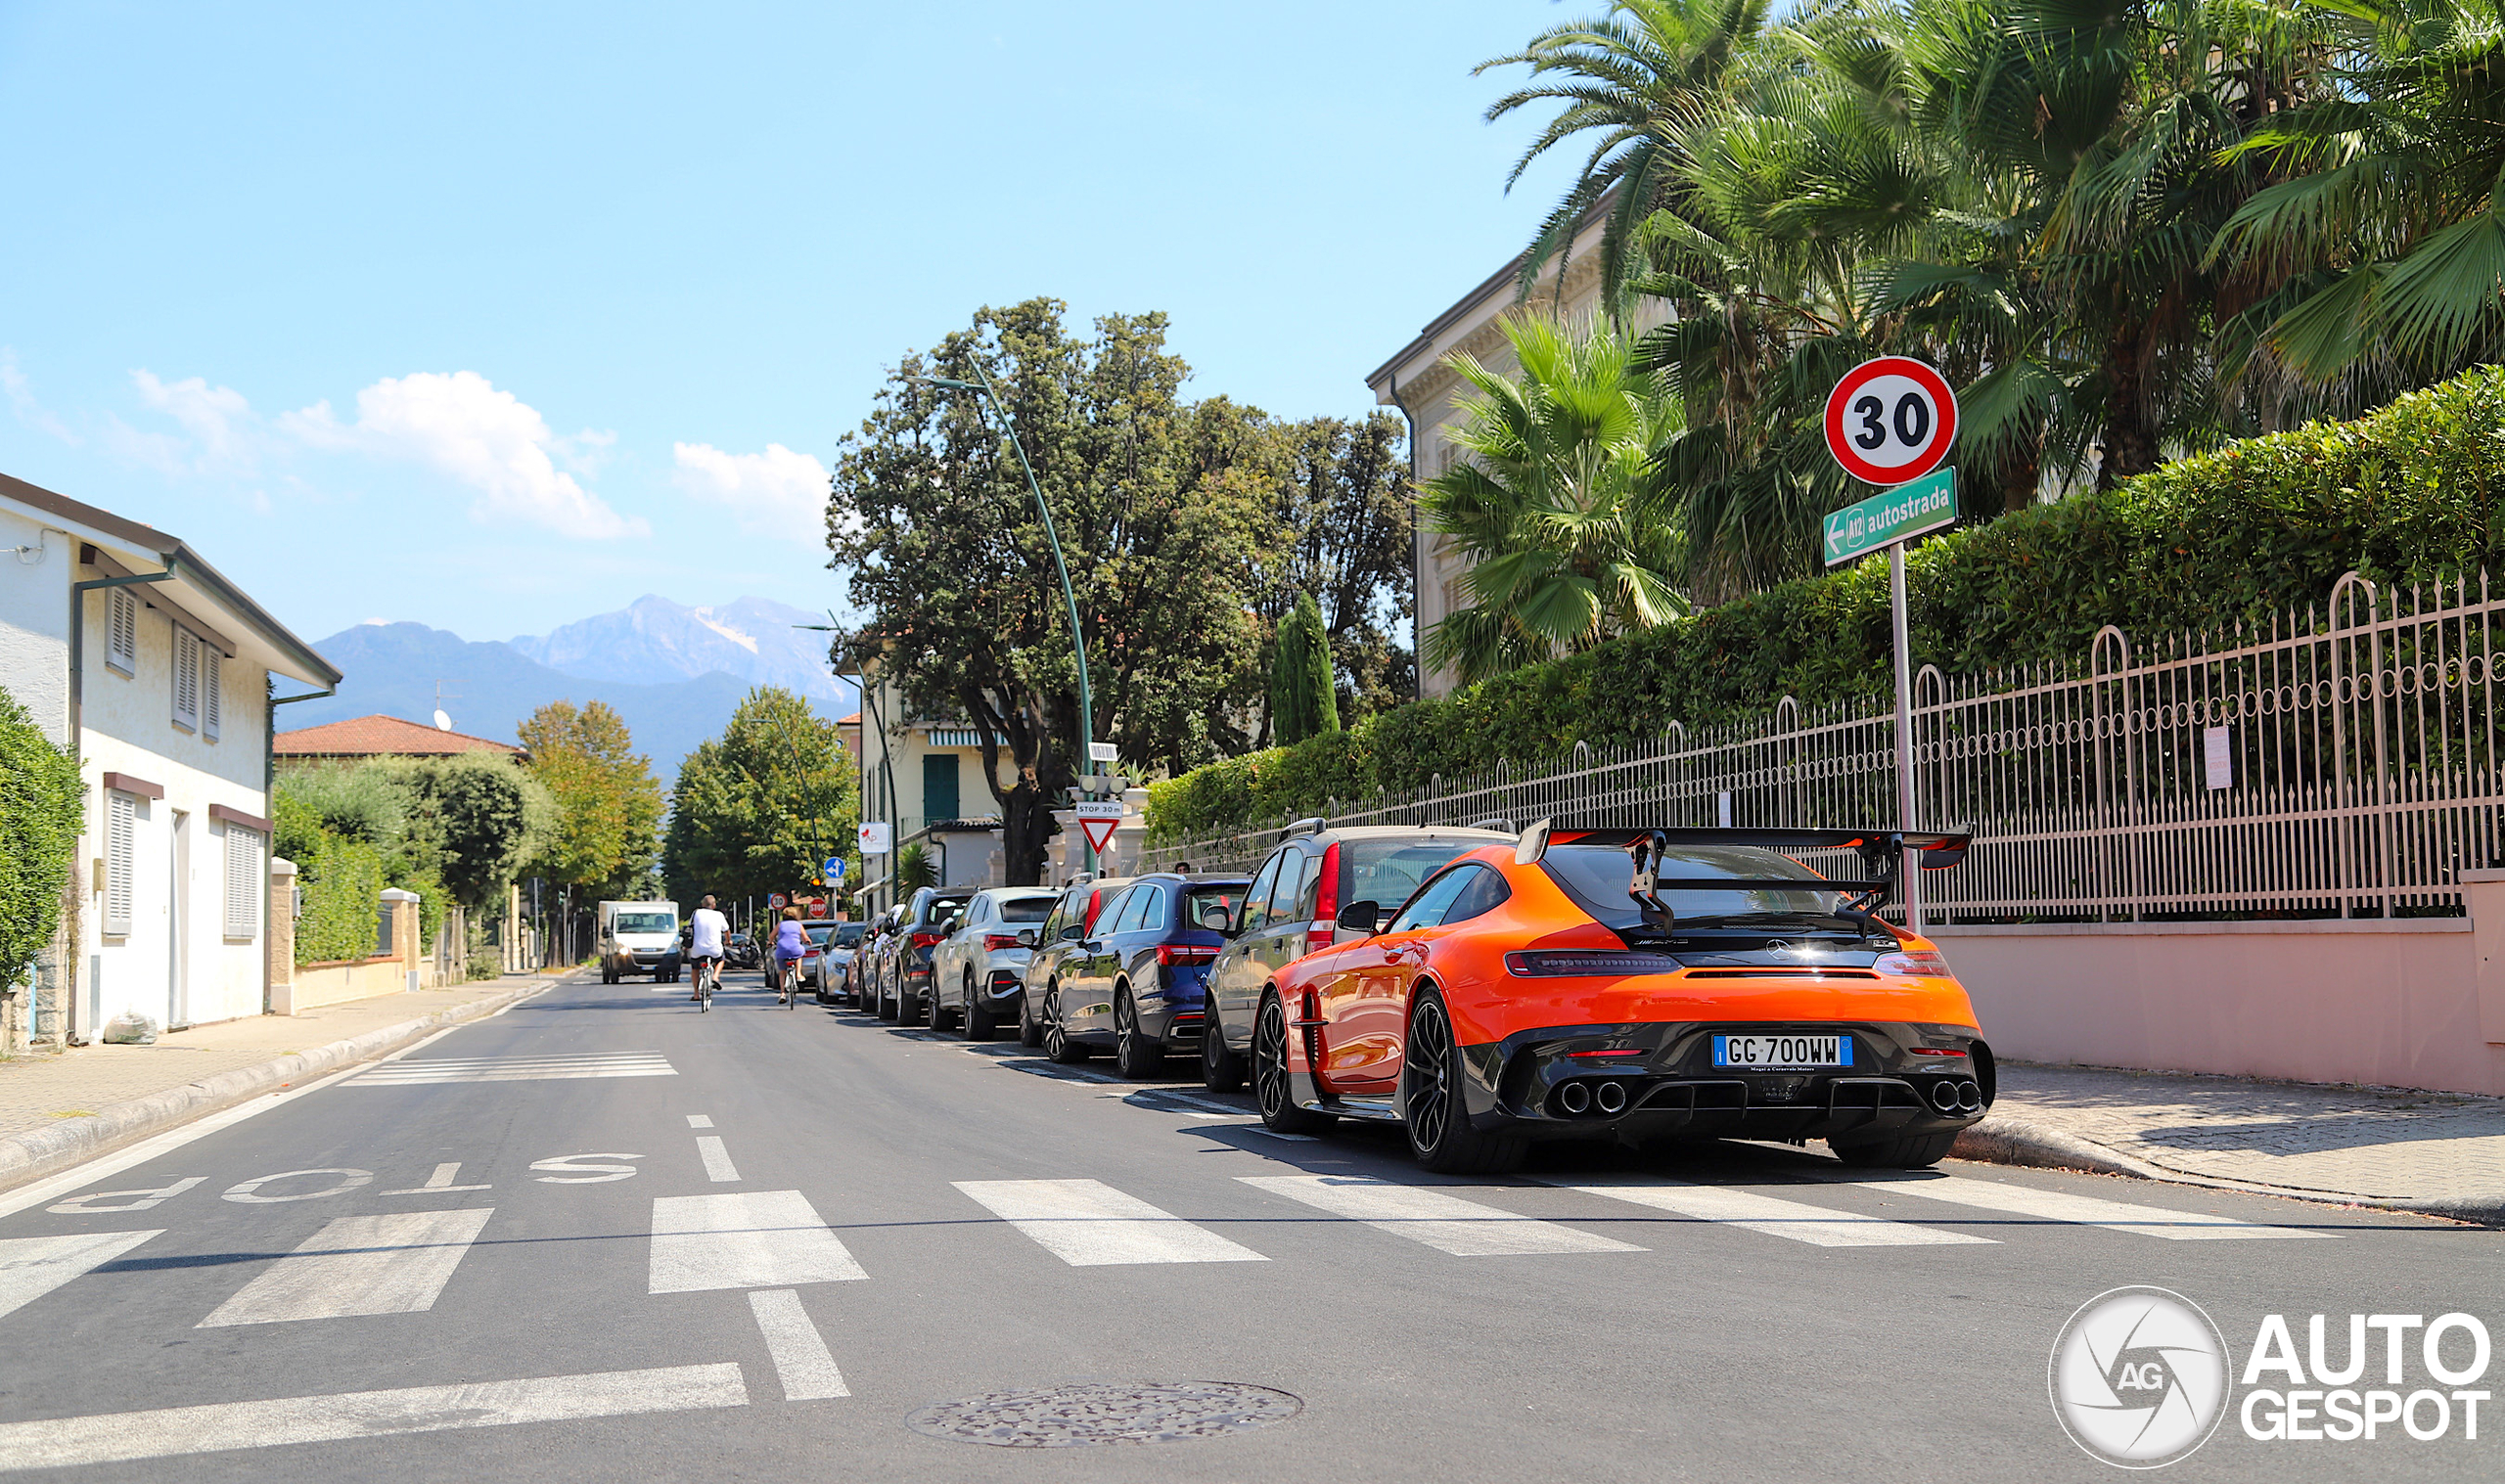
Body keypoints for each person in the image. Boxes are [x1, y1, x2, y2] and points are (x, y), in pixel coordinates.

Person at [687, 895, 729, 1002]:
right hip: (714, 949)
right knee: (721, 959)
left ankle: (696, 994)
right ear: (714, 905)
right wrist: (728, 941)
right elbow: (726, 930)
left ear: (702, 905)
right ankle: (715, 976)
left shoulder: (696, 913)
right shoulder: (719, 915)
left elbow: (689, 927)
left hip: (698, 948)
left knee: (695, 967)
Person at [770, 906, 808, 1006]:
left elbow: (771, 936)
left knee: (782, 972)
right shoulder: (798, 925)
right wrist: (807, 941)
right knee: (800, 954)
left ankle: (782, 993)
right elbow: (805, 938)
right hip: (795, 949)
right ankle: (798, 974)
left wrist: (770, 942)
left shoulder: (780, 924)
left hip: (782, 950)